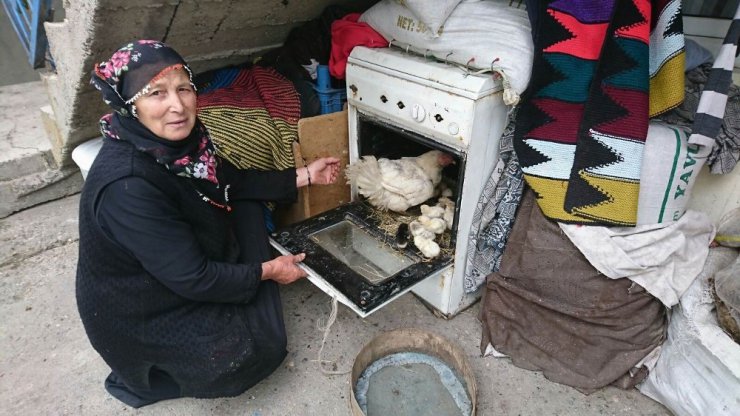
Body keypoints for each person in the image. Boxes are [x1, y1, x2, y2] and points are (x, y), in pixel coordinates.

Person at [76, 40, 341, 408]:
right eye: (156, 93)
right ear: (128, 104)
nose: (178, 105)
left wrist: (305, 176)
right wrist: (270, 271)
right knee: (261, 349)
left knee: (245, 205)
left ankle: (245, 279)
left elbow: (232, 181)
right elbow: (192, 278)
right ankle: (152, 378)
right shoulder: (128, 186)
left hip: (171, 266)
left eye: (184, 88)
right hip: (145, 307)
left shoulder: (186, 145)